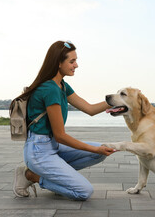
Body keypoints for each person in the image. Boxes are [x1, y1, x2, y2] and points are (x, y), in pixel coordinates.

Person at [12, 40, 116, 200]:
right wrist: (94, 149)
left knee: (101, 151)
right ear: (58, 63)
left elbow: (90, 109)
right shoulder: (50, 89)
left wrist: (117, 100)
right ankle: (31, 176)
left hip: (53, 146)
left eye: (76, 60)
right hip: (39, 151)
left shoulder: (62, 86)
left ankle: (58, 180)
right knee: (84, 191)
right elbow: (60, 135)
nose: (76, 65)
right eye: (72, 61)